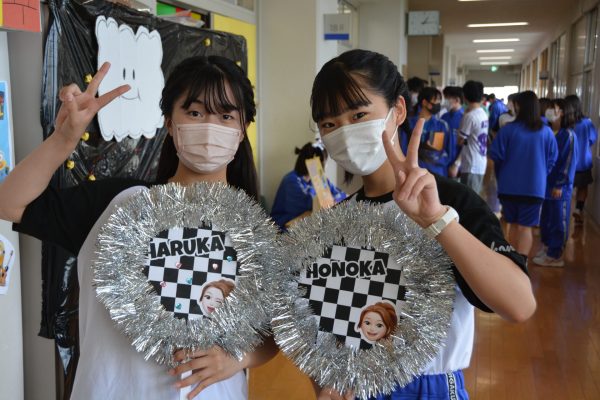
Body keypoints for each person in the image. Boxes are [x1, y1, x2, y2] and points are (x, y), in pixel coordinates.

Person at [0, 56, 278, 400]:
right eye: (194, 112)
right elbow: (9, 203)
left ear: (242, 128)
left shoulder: (252, 229)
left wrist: (239, 358)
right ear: (169, 122)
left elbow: (275, 329)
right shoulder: (118, 203)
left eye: (225, 116)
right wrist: (64, 139)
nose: (210, 126)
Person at [310, 49, 536, 400]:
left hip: (431, 387)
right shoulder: (336, 220)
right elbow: (322, 328)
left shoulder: (448, 201)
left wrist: (437, 221)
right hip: (360, 385)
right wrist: (326, 384)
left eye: (359, 115)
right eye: (329, 124)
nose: (345, 132)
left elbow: (519, 305)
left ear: (398, 110)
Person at [489, 91, 558, 257]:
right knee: (525, 228)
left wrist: (502, 176)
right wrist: (541, 173)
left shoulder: (507, 130)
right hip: (534, 188)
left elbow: (496, 157)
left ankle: (512, 261)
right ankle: (522, 262)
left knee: (511, 224)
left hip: (508, 187)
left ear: (518, 106)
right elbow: (552, 160)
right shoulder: (546, 132)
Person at [534, 99, 578, 267]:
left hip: (560, 187)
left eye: (554, 109)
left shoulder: (568, 135)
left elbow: (567, 162)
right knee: (548, 218)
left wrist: (560, 184)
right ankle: (548, 247)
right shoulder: (554, 132)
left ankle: (555, 255)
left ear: (563, 113)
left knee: (559, 219)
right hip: (548, 183)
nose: (550, 111)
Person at [270, 142, 346, 230]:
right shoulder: (290, 181)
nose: (325, 166)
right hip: (285, 226)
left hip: (305, 222)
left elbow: (341, 195)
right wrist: (329, 200)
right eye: (324, 162)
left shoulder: (319, 178)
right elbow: (311, 203)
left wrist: (333, 200)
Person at [403, 87, 456, 177]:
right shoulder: (408, 124)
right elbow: (403, 149)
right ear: (424, 102)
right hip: (415, 172)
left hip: (437, 172)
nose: (438, 104)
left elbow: (449, 152)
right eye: (436, 101)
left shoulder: (442, 125)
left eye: (439, 101)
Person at [450, 80, 489, 194]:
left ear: (465, 96)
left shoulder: (470, 116)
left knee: (469, 198)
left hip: (471, 164)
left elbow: (460, 140)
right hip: (480, 161)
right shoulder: (483, 113)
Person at [564, 95, 598, 224]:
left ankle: (564, 211)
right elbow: (592, 140)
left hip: (566, 163)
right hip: (583, 162)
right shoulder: (587, 123)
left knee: (565, 188)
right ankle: (579, 209)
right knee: (582, 187)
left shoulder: (565, 123)